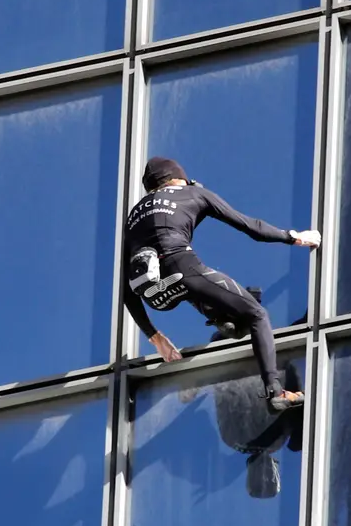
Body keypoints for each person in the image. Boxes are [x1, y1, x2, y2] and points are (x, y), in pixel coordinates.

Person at [122, 156, 320, 412]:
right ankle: (276, 391)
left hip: (154, 293)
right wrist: (294, 237)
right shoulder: (193, 192)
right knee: (257, 314)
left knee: (224, 314)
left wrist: (155, 337)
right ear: (177, 178)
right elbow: (252, 227)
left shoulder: (132, 218)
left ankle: (225, 322)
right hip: (183, 269)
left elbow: (125, 289)